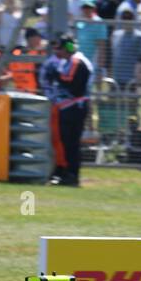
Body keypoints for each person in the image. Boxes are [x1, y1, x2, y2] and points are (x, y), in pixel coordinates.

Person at [47, 33, 94, 186]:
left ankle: (71, 175)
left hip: (74, 108)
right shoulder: (69, 61)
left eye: (59, 49)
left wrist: (56, 76)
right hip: (72, 107)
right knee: (67, 143)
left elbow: (74, 86)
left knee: (71, 143)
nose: (57, 52)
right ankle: (67, 173)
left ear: (67, 48)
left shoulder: (76, 61)